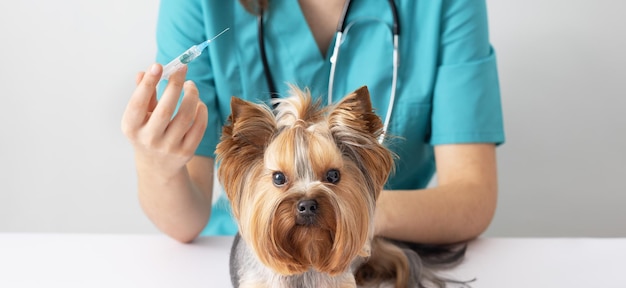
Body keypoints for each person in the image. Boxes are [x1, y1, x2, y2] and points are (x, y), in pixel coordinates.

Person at [121, 0, 505, 245]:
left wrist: (352, 214)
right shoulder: (200, 6)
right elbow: (185, 223)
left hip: (391, 254)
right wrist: (156, 165)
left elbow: (472, 198)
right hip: (246, 258)